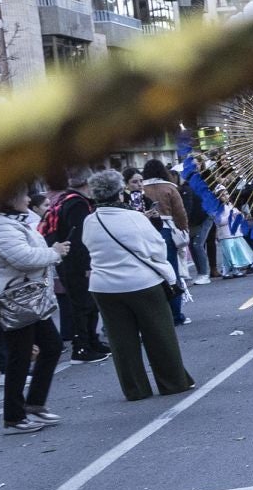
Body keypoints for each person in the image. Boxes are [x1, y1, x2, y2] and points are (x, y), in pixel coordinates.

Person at [82, 169, 194, 402]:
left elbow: (88, 247)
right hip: (142, 283)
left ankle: (135, 388)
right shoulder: (134, 217)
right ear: (119, 192)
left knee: (121, 341)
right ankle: (172, 382)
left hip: (104, 287)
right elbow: (156, 248)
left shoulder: (91, 220)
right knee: (159, 334)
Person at [0, 182, 67, 434]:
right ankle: (14, 416)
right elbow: (23, 258)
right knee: (19, 357)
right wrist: (54, 252)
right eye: (23, 194)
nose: (28, 199)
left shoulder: (13, 220)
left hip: (29, 298)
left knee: (52, 346)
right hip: (16, 299)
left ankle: (34, 405)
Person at [39, 168, 107, 362]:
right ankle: (82, 347)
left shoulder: (64, 199)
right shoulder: (78, 204)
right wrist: (87, 265)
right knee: (84, 304)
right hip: (75, 261)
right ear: (88, 182)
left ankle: (91, 341)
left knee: (86, 303)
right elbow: (80, 238)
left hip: (67, 259)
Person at [138, 160, 191, 324]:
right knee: (171, 272)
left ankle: (154, 314)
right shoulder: (169, 187)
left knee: (150, 272)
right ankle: (175, 314)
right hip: (166, 229)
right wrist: (183, 229)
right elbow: (180, 212)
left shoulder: (141, 188)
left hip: (144, 230)